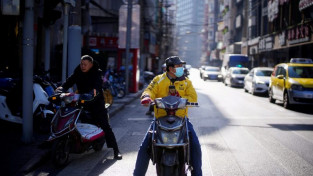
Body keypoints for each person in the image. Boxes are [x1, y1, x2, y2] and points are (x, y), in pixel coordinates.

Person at [133, 56, 202, 176]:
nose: (181, 68)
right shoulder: (158, 79)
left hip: (182, 120)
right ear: (170, 68)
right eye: (178, 66)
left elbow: (193, 97)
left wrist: (182, 98)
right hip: (160, 120)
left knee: (195, 145)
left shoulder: (186, 82)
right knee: (144, 147)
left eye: (181, 66)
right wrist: (146, 97)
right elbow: (149, 90)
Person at [56, 55, 122, 160]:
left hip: (96, 102)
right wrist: (62, 88)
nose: (82, 66)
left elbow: (97, 84)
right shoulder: (78, 71)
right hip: (82, 101)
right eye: (81, 64)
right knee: (70, 116)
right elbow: (70, 81)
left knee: (105, 125)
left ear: (90, 65)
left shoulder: (96, 72)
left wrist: (94, 91)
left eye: (85, 64)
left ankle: (116, 150)